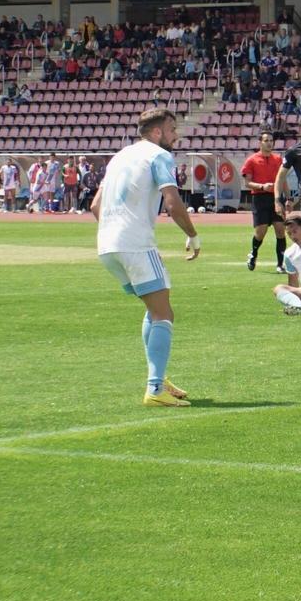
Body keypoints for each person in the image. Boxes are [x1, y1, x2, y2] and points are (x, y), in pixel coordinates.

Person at [91, 107, 202, 407]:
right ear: (157, 133)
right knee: (164, 312)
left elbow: (94, 205)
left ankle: (159, 375)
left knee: (153, 308)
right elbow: (172, 202)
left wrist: (114, 231)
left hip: (107, 245)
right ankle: (155, 389)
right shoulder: (159, 155)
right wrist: (193, 235)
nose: (176, 136)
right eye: (172, 130)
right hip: (136, 245)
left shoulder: (119, 156)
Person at [241, 132, 288, 273]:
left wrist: (289, 198)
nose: (269, 143)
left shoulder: (278, 159)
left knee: (280, 230)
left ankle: (280, 264)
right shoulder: (252, 160)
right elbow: (247, 183)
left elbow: (283, 179)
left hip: (276, 197)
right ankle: (253, 254)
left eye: (271, 140)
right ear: (260, 143)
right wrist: (262, 186)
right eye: (266, 140)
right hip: (260, 198)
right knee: (260, 232)